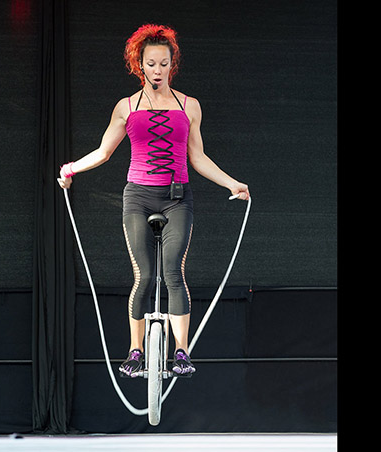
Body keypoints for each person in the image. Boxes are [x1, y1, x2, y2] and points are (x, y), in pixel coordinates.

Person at [58, 24, 250, 378]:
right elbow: (103, 152)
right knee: (144, 277)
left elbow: (198, 158)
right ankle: (136, 350)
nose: (157, 71)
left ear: (171, 65)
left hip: (178, 198)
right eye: (151, 64)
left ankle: (181, 352)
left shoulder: (189, 106)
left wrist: (233, 183)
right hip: (139, 197)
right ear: (139, 64)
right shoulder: (126, 107)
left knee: (174, 273)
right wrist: (70, 169)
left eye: (164, 64)